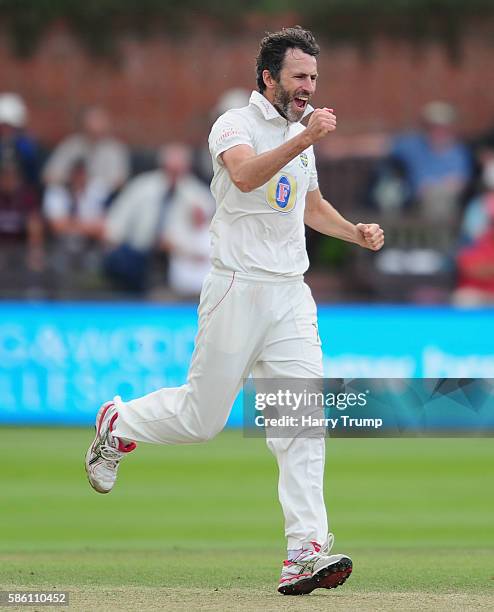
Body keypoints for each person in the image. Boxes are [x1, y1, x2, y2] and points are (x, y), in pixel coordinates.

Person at [85, 27, 384, 596]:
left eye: (314, 79)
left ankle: (305, 552)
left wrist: (354, 233)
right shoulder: (234, 124)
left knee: (301, 422)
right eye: (299, 77)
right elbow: (247, 175)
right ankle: (117, 422)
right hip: (236, 288)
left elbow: (310, 205)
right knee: (203, 420)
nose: (308, 89)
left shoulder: (302, 133)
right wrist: (303, 138)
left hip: (291, 293)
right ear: (269, 77)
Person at [42, 105, 129, 199]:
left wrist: (90, 183)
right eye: (93, 121)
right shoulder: (71, 145)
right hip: (70, 193)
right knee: (55, 191)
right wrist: (72, 181)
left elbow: (120, 181)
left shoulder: (115, 148)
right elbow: (48, 176)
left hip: (102, 198)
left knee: (96, 190)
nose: (96, 126)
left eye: (99, 121)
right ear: (83, 124)